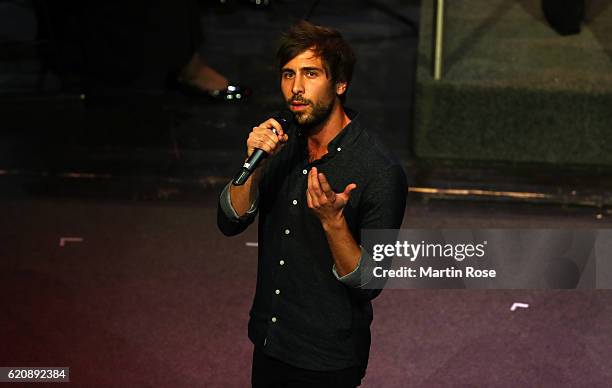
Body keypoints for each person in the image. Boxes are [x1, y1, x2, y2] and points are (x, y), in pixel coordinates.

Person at [217, 21, 407, 387]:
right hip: (271, 341)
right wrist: (253, 165)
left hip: (327, 360)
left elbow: (370, 281)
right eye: (288, 75)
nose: (296, 88)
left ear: (340, 83)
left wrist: (333, 222)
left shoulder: (379, 170)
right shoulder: (278, 144)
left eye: (310, 73)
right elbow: (229, 221)